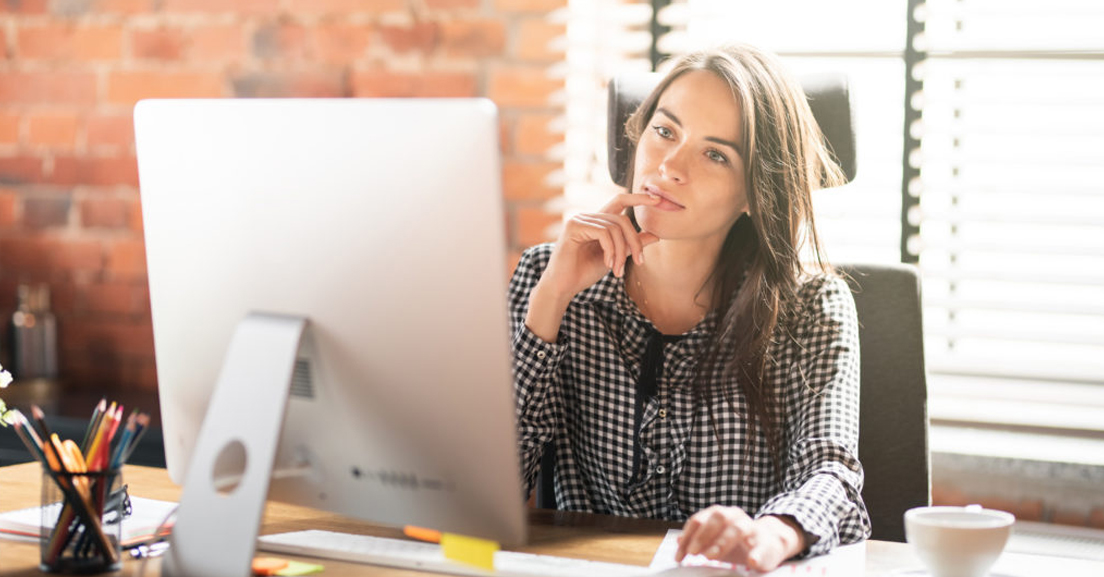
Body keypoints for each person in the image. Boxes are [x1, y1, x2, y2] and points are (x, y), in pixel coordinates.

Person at [507, 43, 871, 572]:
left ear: (754, 192)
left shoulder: (811, 306)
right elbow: (489, 485)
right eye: (664, 131)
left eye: (716, 154)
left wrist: (767, 536)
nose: (670, 167)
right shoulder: (550, 277)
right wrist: (551, 299)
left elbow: (831, 473)